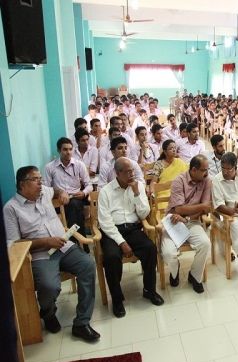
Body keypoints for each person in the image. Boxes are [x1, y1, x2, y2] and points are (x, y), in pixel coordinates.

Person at [3, 166, 100, 342]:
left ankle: (81, 322)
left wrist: (60, 191)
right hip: (41, 255)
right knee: (50, 286)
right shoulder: (11, 208)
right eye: (35, 179)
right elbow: (14, 245)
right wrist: (45, 242)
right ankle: (48, 313)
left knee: (88, 265)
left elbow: (53, 189)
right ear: (22, 184)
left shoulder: (44, 193)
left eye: (41, 178)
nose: (41, 182)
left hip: (64, 246)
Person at [98, 157, 164, 318]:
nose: (131, 174)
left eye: (133, 171)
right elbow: (105, 222)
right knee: (112, 258)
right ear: (117, 173)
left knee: (150, 249)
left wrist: (136, 193)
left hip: (133, 228)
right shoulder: (106, 191)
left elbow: (143, 214)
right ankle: (117, 298)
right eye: (127, 172)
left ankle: (149, 290)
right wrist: (121, 242)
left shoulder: (138, 186)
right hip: (112, 232)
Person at [160, 155, 211, 293]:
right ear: (193, 170)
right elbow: (179, 209)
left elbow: (207, 207)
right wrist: (201, 207)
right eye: (203, 170)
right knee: (169, 253)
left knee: (205, 244)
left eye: (207, 169)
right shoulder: (179, 181)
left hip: (192, 221)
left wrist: (188, 217)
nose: (206, 173)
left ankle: (194, 276)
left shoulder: (206, 181)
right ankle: (174, 271)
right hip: (173, 221)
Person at [44, 137, 93, 244]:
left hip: (76, 197)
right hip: (59, 200)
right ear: (58, 150)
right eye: (65, 149)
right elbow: (46, 189)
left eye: (70, 149)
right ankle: (80, 239)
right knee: (74, 209)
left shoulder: (79, 164)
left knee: (75, 205)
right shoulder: (50, 167)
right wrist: (59, 192)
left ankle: (73, 241)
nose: (68, 152)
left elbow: (89, 185)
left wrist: (83, 192)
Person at [150, 139, 189, 210]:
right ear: (165, 151)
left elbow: (187, 177)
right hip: (163, 192)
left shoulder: (180, 162)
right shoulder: (159, 164)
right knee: (164, 207)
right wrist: (152, 192)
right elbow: (154, 181)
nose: (174, 150)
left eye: (175, 148)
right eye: (171, 148)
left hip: (179, 192)